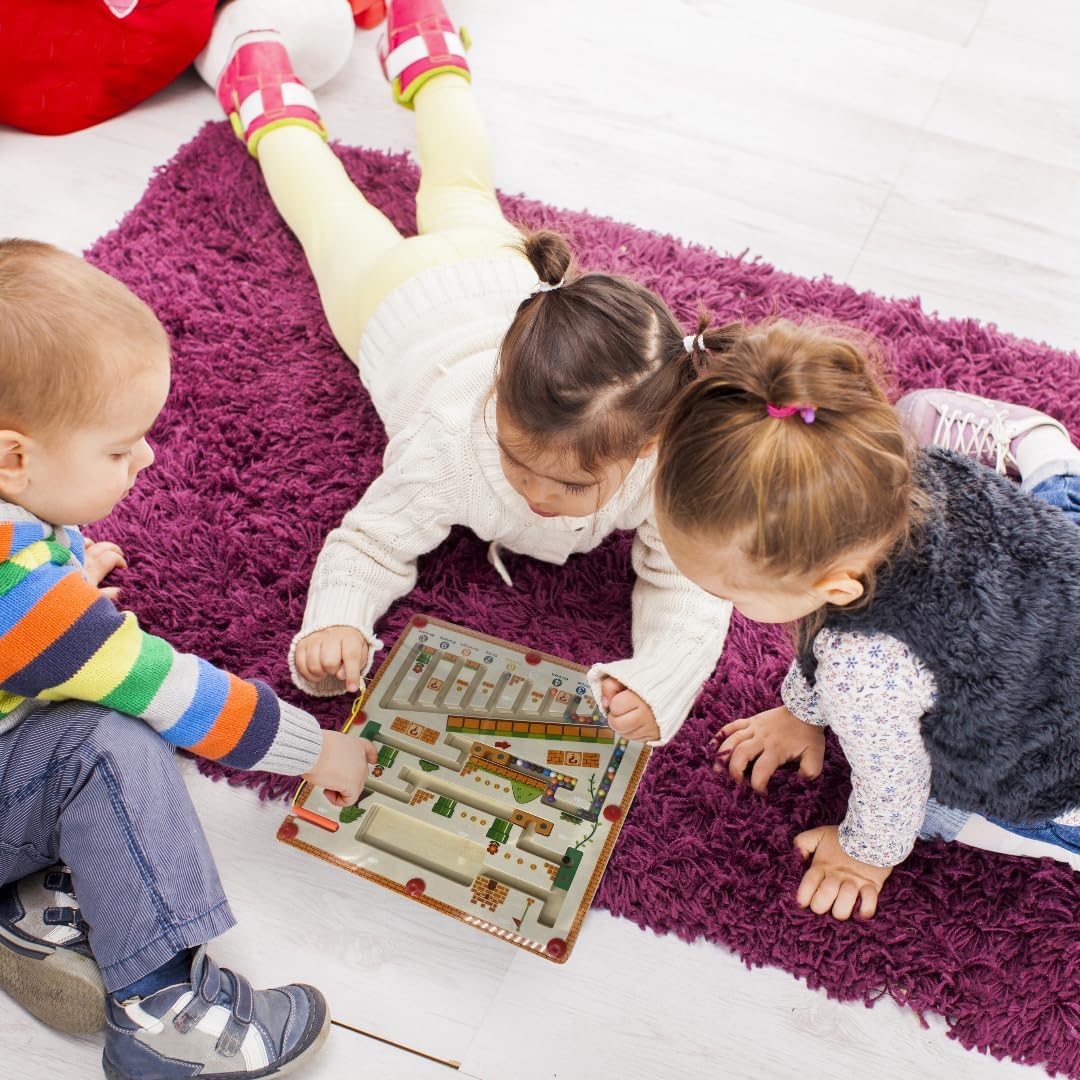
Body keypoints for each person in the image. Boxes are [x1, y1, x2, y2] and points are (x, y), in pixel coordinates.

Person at [198, 0, 733, 746]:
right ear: (493, 402)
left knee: (461, 187)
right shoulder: (451, 441)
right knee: (327, 208)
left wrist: (658, 679)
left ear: (648, 444)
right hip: (390, 298)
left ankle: (430, 54)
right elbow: (370, 542)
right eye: (517, 462)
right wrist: (337, 619)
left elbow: (691, 580)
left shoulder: (665, 457)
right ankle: (268, 103)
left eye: (574, 485)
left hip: (492, 272)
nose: (540, 497)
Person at [0, 239, 376, 1078]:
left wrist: (57, 575)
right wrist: (318, 752)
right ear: (14, 459)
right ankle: (167, 1015)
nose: (149, 459)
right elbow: (172, 691)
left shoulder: (16, 545)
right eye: (118, 448)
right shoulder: (18, 600)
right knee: (112, 741)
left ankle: (28, 903)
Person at [651, 316, 1080, 920]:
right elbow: (822, 629)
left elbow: (892, 788)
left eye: (729, 591)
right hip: (1058, 585)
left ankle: (1050, 456)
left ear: (832, 585)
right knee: (1062, 519)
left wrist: (864, 857)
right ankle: (1049, 459)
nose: (724, 603)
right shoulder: (897, 472)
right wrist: (802, 711)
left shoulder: (865, 665)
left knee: (937, 812)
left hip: (1060, 770)